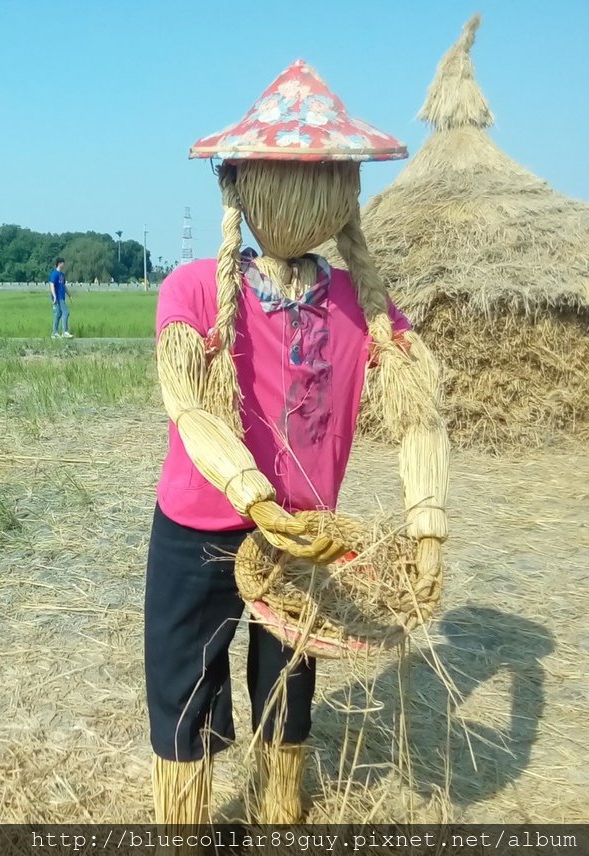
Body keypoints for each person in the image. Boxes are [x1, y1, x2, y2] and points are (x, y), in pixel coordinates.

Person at [147, 60, 449, 825]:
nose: (303, 195)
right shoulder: (189, 287)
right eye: (284, 175)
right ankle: (184, 826)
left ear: (345, 192)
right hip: (200, 523)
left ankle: (283, 811)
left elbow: (420, 416)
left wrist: (427, 524)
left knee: (291, 680)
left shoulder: (364, 303)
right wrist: (251, 493)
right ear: (241, 183)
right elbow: (188, 404)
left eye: (323, 177)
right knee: (184, 683)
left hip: (305, 537)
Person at [49, 258, 72, 338]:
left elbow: (63, 285)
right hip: (58, 297)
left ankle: (54, 333)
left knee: (58, 314)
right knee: (66, 312)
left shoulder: (62, 275)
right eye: (63, 263)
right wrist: (54, 296)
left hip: (62, 296)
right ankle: (65, 332)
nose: (64, 265)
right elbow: (51, 285)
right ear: (59, 264)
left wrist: (69, 295)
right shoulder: (54, 274)